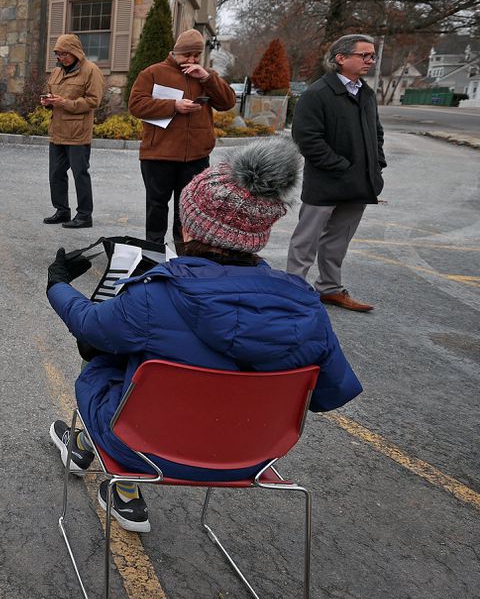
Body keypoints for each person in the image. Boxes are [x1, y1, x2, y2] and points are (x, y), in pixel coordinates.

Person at [46, 138, 362, 533]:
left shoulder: (154, 296)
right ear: (258, 234)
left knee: (103, 360)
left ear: (187, 225)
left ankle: (116, 475)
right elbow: (330, 394)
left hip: (144, 448)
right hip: (252, 455)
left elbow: (89, 327)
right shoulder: (306, 306)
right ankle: (108, 470)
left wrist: (56, 284)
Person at [286, 34, 386, 312]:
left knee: (338, 240)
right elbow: (307, 138)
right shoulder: (317, 93)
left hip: (360, 183)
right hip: (326, 182)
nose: (370, 61)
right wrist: (340, 166)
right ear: (340, 58)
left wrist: (377, 164)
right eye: (363, 55)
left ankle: (329, 289)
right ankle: (292, 291)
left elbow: (376, 132)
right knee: (306, 240)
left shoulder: (366, 93)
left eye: (372, 55)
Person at [128, 29, 237, 252]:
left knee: (187, 207)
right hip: (158, 154)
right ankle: (154, 251)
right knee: (157, 205)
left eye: (196, 55)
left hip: (195, 156)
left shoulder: (205, 76)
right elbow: (136, 105)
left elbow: (227, 103)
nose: (192, 60)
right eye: (187, 55)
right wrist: (173, 106)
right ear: (175, 53)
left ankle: (184, 251)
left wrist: (207, 77)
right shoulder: (153, 73)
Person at [40, 34, 104, 230]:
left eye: (64, 54)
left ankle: (85, 215)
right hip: (57, 131)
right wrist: (48, 103)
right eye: (58, 54)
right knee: (56, 174)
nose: (60, 58)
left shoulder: (91, 71)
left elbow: (94, 101)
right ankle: (62, 210)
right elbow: (52, 94)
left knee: (80, 174)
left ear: (75, 53)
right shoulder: (57, 71)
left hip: (78, 134)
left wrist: (65, 103)